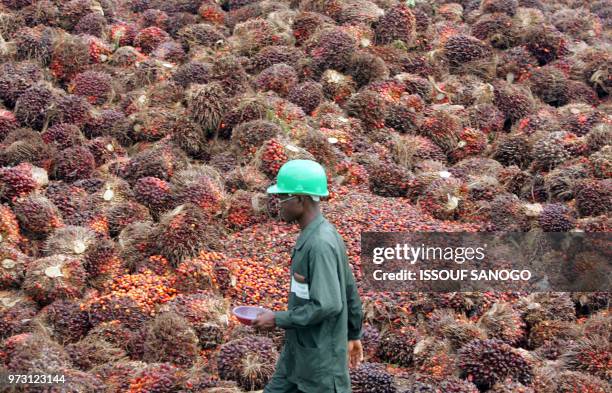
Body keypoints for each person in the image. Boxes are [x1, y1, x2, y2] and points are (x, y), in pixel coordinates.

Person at [252, 159, 364, 393]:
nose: (279, 204)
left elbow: (329, 304)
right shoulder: (315, 235)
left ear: (300, 200)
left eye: (283, 198)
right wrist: (354, 333)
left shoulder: (320, 243)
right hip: (297, 353)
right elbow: (349, 289)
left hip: (320, 365)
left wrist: (277, 319)